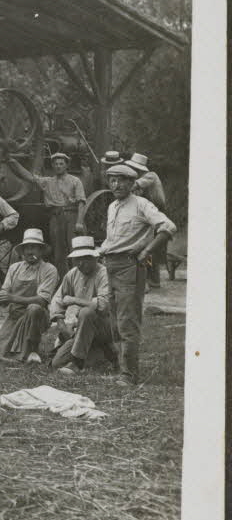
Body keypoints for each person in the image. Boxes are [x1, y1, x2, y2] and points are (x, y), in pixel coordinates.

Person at [99, 163, 175, 385]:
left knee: (127, 321)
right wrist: (100, 252)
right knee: (114, 321)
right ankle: (123, 369)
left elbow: (168, 227)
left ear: (133, 183)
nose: (117, 184)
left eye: (122, 180)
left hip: (129, 267)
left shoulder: (142, 204)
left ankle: (130, 374)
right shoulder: (112, 206)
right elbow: (113, 240)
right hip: (110, 265)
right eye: (113, 180)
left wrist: (147, 251)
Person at [7, 152, 87, 274]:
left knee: (75, 248)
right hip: (55, 217)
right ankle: (63, 282)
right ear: (53, 166)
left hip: (71, 216)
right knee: (59, 252)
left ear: (66, 166)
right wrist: (13, 162)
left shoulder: (75, 181)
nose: (58, 166)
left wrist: (79, 222)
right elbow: (29, 177)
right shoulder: (47, 182)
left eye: (61, 164)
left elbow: (81, 202)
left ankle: (80, 278)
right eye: (55, 164)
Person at [49, 236, 116, 374]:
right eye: (76, 259)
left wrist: (74, 300)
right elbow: (57, 300)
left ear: (94, 258)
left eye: (84, 259)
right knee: (56, 363)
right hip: (82, 329)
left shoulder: (104, 273)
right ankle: (101, 353)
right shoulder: (72, 274)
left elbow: (103, 306)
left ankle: (77, 362)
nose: (80, 263)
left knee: (86, 312)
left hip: (107, 327)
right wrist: (61, 323)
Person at [0, 229, 60, 363]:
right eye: (27, 248)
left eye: (34, 247)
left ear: (41, 250)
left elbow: (41, 300)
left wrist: (12, 298)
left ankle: (32, 348)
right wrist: (1, 298)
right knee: (0, 352)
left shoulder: (49, 269)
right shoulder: (14, 268)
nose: (30, 252)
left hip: (38, 316)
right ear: (22, 251)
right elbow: (5, 293)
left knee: (33, 308)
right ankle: (20, 351)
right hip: (14, 316)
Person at [125, 152, 168, 289]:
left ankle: (153, 280)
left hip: (156, 213)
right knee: (146, 246)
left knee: (151, 247)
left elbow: (134, 186)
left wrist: (120, 187)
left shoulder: (150, 176)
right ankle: (149, 279)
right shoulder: (142, 180)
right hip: (148, 213)